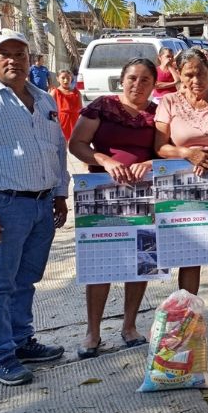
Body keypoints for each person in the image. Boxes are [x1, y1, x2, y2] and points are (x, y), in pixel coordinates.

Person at [68, 58, 159, 358]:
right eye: (132, 78)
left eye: (145, 80)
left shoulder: (157, 114)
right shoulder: (102, 106)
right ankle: (92, 333)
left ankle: (129, 327)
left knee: (140, 261)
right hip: (102, 194)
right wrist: (104, 160)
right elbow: (77, 144)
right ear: (122, 80)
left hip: (144, 195)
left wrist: (151, 163)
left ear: (154, 84)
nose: (138, 84)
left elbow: (164, 151)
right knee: (99, 264)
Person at [0, 29, 68, 386]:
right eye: (3, 53)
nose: (13, 60)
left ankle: (21, 341)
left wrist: (60, 193)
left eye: (19, 54)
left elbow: (58, 148)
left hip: (42, 205)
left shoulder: (44, 98)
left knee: (26, 280)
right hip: (4, 204)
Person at [154, 48, 208, 348]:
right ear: (178, 74)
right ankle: (187, 325)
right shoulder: (168, 103)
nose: (195, 80)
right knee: (188, 259)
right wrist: (187, 153)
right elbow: (160, 147)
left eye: (200, 73)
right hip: (183, 189)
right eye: (188, 74)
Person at [50, 69, 81, 140]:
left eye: (68, 78)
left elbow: (81, 110)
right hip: (61, 124)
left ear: (71, 78)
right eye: (63, 78)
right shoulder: (55, 92)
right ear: (57, 78)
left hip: (75, 123)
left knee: (74, 143)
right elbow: (49, 110)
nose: (66, 80)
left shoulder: (77, 93)